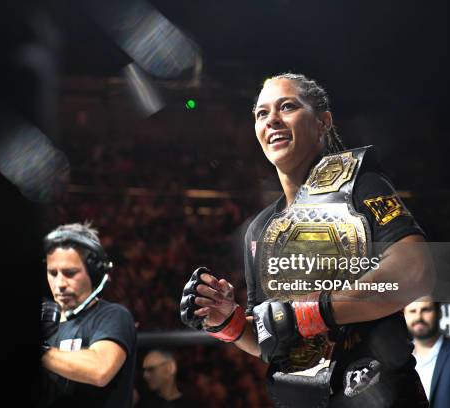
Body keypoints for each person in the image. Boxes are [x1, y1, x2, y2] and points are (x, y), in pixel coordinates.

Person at [180, 73, 434, 407]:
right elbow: (277, 342)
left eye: (287, 107)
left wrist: (313, 310)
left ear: (322, 122)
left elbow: (415, 271)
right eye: (261, 113)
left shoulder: (362, 187)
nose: (272, 120)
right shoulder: (260, 229)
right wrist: (230, 322)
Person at [39, 222, 137, 408]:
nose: (59, 283)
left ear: (94, 272)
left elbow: (100, 370)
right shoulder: (44, 321)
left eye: (70, 273)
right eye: (52, 273)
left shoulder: (113, 316)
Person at [404, 297, 450, 407]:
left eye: (426, 310)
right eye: (412, 311)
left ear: (440, 313)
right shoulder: (398, 360)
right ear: (404, 315)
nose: (418, 317)